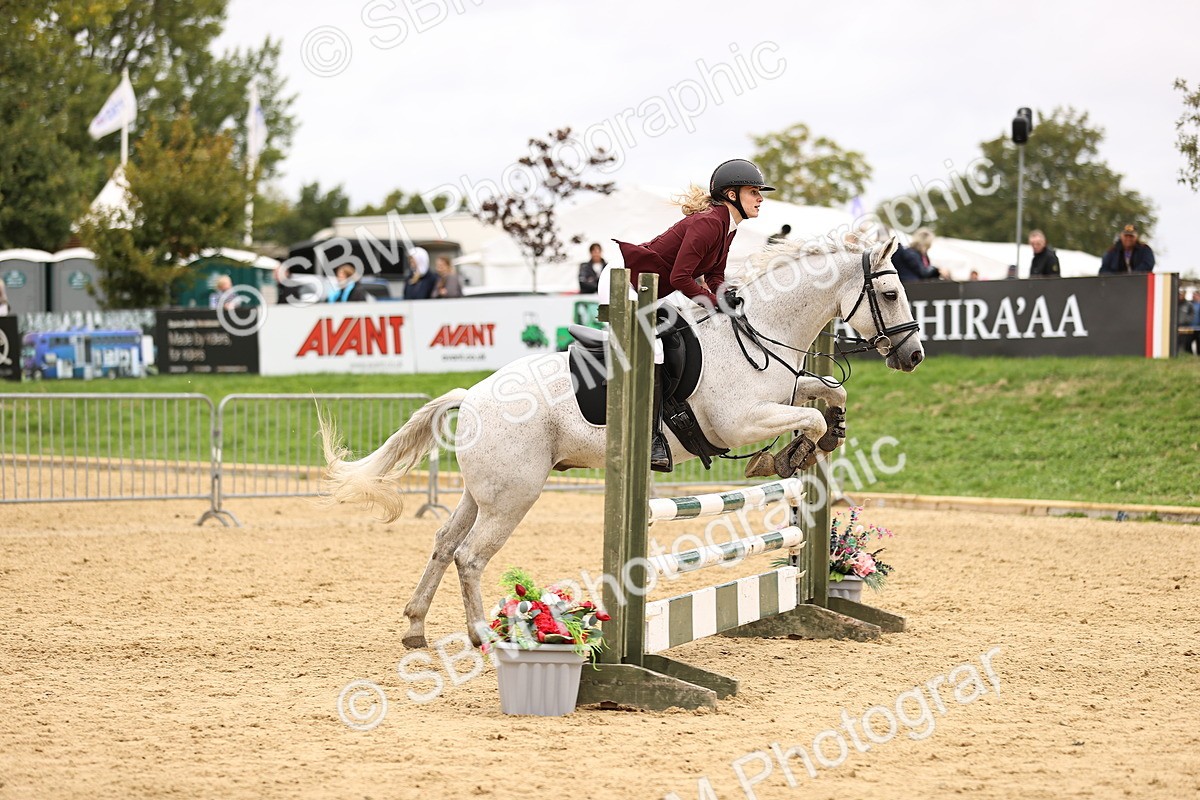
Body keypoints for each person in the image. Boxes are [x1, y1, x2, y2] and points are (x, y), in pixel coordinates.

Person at [614, 158, 774, 472]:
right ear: (732, 195)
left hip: (654, 290)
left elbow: (714, 274)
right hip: (628, 284)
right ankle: (651, 436)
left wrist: (726, 297)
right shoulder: (709, 223)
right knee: (656, 349)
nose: (760, 198)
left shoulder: (726, 227)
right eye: (754, 191)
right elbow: (680, 277)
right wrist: (714, 305)